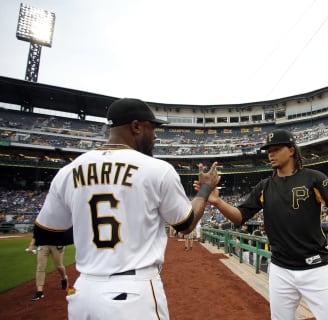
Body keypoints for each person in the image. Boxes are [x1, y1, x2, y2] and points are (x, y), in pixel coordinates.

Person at [33, 98, 220, 320]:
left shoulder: (68, 171)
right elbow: (186, 225)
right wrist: (206, 188)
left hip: (84, 292)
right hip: (133, 293)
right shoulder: (157, 169)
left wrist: (88, 230)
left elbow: (45, 233)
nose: (156, 136)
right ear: (136, 126)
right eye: (152, 128)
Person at [195, 129, 328, 320]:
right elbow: (240, 216)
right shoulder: (264, 186)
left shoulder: (314, 178)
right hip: (280, 268)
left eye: (276, 149)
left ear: (291, 150)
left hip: (314, 268)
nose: (270, 154)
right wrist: (217, 202)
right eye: (268, 150)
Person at [27, 236, 68, 301]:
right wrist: (31, 245)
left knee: (58, 266)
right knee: (40, 267)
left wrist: (62, 242)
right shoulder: (42, 225)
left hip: (56, 243)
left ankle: (64, 278)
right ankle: (39, 292)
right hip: (43, 243)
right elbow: (37, 232)